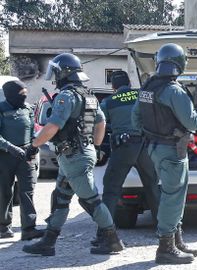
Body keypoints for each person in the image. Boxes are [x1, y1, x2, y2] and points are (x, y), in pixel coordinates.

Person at [22, 53, 124, 256]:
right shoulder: (89, 95)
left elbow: (52, 126)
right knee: (61, 198)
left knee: (90, 200)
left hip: (73, 157)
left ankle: (113, 240)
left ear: (64, 73)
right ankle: (48, 242)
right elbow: (101, 122)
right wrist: (94, 146)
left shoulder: (66, 96)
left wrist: (34, 146)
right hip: (78, 155)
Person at [132, 43, 197, 264]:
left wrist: (153, 136)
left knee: (174, 194)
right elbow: (193, 122)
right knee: (172, 197)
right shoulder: (173, 90)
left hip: (155, 148)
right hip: (172, 150)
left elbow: (135, 119)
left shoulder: (148, 88)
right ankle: (166, 248)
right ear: (180, 63)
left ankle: (177, 241)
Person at [95, 71, 159, 245]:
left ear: (113, 87)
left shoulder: (109, 102)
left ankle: (104, 232)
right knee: (152, 186)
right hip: (145, 146)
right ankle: (164, 230)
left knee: (111, 188)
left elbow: (100, 123)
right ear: (130, 83)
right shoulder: (142, 95)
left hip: (123, 147)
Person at [0, 80, 44, 241]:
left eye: (25, 94)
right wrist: (11, 148)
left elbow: (33, 130)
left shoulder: (27, 109)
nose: (24, 97)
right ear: (10, 94)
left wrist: (35, 144)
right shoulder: (1, 109)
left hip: (26, 155)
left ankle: (29, 229)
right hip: (5, 156)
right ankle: (3, 226)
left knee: (27, 191)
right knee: (5, 192)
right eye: (21, 94)